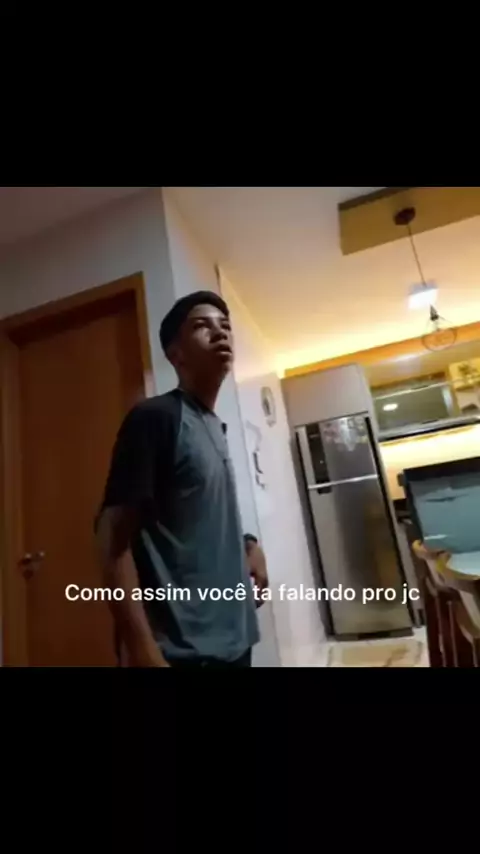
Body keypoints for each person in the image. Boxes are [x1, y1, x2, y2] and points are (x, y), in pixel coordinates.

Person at [95, 290, 268, 668]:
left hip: (237, 641)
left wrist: (249, 545)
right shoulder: (156, 418)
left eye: (225, 326)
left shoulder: (215, 426)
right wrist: (144, 653)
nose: (220, 333)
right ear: (175, 354)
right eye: (202, 326)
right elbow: (111, 540)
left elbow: (201, 513)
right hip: (184, 653)